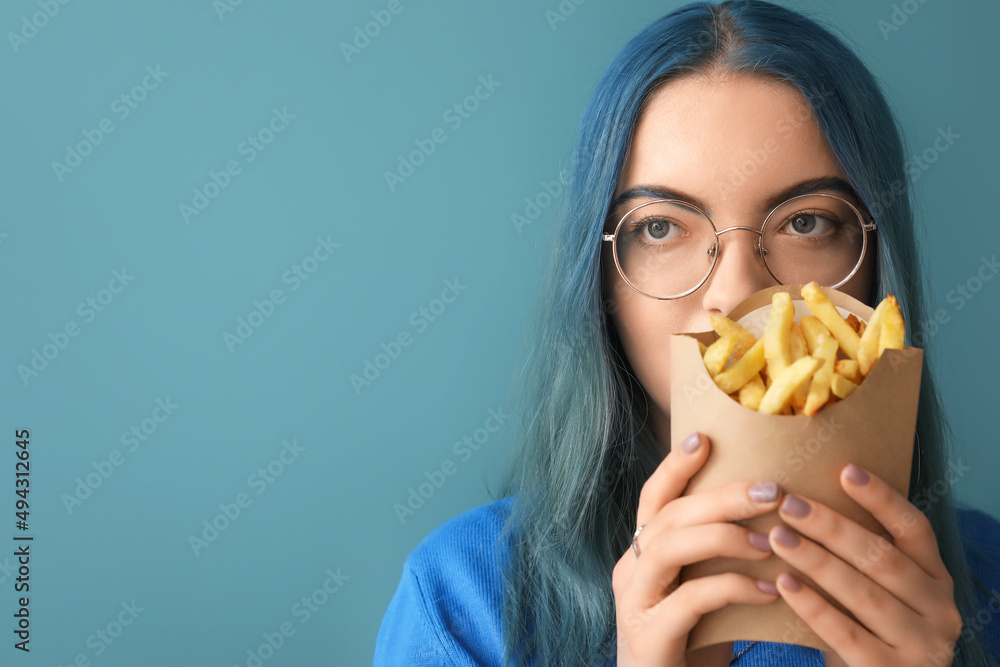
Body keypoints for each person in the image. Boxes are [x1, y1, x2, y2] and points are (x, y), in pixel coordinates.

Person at [373, 1, 1000, 665]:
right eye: (662, 227)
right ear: (602, 284)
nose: (734, 295)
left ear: (876, 273)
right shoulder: (462, 601)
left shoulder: (983, 582)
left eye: (807, 222)